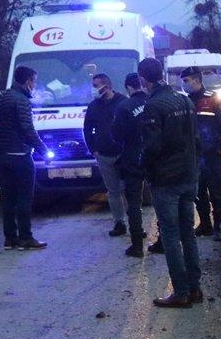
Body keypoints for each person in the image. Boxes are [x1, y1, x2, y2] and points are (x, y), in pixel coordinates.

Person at [137, 57, 202, 308]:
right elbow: (196, 140)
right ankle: (195, 288)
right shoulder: (184, 100)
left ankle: (181, 293)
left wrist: (142, 164)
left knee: (171, 236)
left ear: (143, 79)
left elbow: (152, 147)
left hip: (166, 180)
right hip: (188, 176)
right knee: (188, 234)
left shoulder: (153, 107)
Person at [0, 65, 50, 250]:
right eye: (34, 81)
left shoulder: (2, 97)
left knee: (8, 198)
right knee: (24, 198)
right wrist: (43, 150)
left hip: (2, 156)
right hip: (20, 157)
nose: (34, 85)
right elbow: (28, 129)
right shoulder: (22, 100)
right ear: (28, 81)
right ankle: (26, 237)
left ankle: (10, 238)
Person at [183, 67, 221, 241]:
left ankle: (219, 226)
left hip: (212, 157)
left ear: (196, 80)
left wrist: (219, 147)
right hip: (194, 158)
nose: (184, 85)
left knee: (216, 193)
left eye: (186, 81)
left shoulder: (214, 99)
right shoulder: (185, 102)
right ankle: (205, 225)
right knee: (199, 193)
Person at [83, 72, 128, 236]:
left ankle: (135, 222)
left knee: (129, 190)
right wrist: (93, 149)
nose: (93, 90)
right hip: (103, 155)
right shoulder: (94, 106)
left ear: (106, 86)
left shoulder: (122, 102)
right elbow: (87, 129)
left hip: (123, 154)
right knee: (113, 191)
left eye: (96, 86)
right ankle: (119, 222)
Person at [111, 72, 150, 257]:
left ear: (128, 87)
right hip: (155, 157)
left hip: (133, 158)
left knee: (133, 202)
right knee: (160, 201)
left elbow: (117, 135)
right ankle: (162, 242)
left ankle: (137, 246)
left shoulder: (124, 106)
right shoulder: (154, 102)